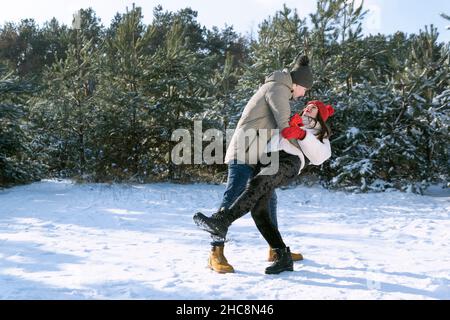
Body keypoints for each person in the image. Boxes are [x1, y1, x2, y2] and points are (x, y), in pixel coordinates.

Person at [201, 55, 314, 274]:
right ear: (299, 84)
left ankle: (276, 249)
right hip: (245, 150)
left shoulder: (280, 87)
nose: (304, 95)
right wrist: (303, 150)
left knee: (269, 197)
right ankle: (215, 253)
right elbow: (285, 126)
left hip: (261, 152)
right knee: (233, 195)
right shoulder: (278, 88)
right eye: (305, 90)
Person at [194, 100, 335, 274]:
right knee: (259, 211)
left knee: (258, 183)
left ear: (320, 114)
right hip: (267, 160)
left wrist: (301, 135)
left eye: (313, 108)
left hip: (289, 161)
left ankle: (222, 220)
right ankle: (283, 256)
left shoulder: (318, 131)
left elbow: (321, 156)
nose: (308, 108)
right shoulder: (292, 120)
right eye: (307, 106)